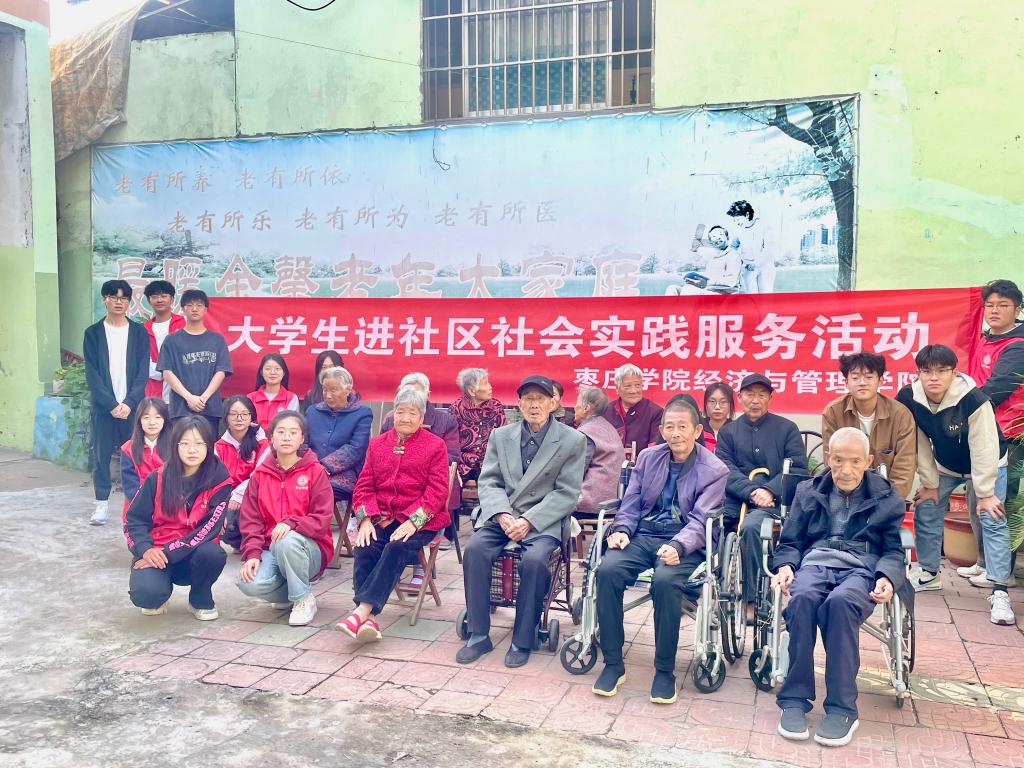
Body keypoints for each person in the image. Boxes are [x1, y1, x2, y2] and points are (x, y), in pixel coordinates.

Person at [773, 428, 906, 747]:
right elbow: (790, 541)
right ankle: (794, 700)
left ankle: (842, 708)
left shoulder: (887, 498)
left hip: (861, 568)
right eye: (838, 460)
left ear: (868, 461)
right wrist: (786, 566)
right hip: (815, 563)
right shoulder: (807, 491)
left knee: (841, 603)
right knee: (802, 599)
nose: (846, 469)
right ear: (828, 459)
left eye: (855, 461)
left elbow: (893, 551)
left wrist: (887, 577)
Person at [591, 399, 728, 703]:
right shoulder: (648, 457)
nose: (675, 433)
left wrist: (679, 545)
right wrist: (621, 530)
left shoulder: (714, 469)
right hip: (645, 534)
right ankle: (613, 664)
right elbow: (631, 502)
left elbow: (701, 520)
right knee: (608, 571)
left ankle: (664, 671)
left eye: (682, 427)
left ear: (697, 431)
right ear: (662, 430)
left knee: (665, 582)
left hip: (686, 540)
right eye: (669, 427)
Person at [456, 375, 586, 668]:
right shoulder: (501, 436)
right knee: (474, 550)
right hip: (503, 514)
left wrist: (529, 519)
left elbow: (567, 492)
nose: (534, 405)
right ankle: (478, 634)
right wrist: (502, 514)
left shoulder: (572, 440)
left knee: (535, 561)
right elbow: (489, 481)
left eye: (540, 399)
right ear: (519, 403)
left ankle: (522, 639)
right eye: (528, 399)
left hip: (543, 520)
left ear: (553, 403)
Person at [897, 345, 1016, 624]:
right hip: (945, 465)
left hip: (988, 463)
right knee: (927, 507)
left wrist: (985, 493)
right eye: (927, 371)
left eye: (942, 371)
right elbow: (918, 442)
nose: (934, 378)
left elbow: (984, 447)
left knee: (992, 516)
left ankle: (999, 591)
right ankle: (929, 574)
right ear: (918, 373)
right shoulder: (908, 397)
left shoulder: (974, 399)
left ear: (954, 372)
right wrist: (930, 484)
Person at [339, 387, 450, 642]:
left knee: (395, 547)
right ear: (393, 414)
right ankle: (369, 619)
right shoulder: (377, 444)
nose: (406, 418)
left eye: (413, 413)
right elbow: (364, 485)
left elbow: (437, 491)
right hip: (382, 515)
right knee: (365, 545)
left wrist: (414, 521)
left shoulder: (435, 446)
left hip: (423, 519)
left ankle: (360, 612)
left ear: (422, 417)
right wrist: (365, 519)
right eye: (401, 412)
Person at [124, 415, 232, 619]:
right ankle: (159, 591)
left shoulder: (220, 480)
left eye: (199, 443)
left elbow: (209, 528)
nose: (192, 450)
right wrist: (145, 549)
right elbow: (133, 521)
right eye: (185, 443)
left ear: (209, 446)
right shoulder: (157, 478)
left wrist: (169, 552)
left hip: (193, 553)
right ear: (175, 446)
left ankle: (199, 597)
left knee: (213, 554)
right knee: (146, 596)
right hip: (157, 550)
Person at [716, 373, 808, 606]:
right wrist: (752, 492)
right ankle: (711, 588)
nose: (755, 400)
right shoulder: (728, 432)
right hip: (737, 503)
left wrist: (769, 490)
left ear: (770, 398)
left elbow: (798, 468)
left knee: (752, 526)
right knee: (712, 524)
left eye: (761, 395)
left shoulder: (787, 429)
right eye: (750, 395)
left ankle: (755, 600)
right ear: (740, 397)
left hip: (774, 505)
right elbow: (724, 469)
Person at [237, 411, 334, 626]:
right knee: (248, 583)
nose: (286, 437)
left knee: (286, 540)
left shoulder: (315, 472)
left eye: (293, 432)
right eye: (281, 432)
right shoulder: (260, 475)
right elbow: (251, 519)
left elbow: (322, 519)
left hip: (308, 549)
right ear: (271, 438)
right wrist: (252, 553)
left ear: (302, 438)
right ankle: (290, 593)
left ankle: (303, 599)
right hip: (270, 548)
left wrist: (291, 523)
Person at [967, 279, 1024, 581]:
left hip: (1009, 435)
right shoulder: (985, 339)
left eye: (1003, 305)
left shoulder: (1018, 346)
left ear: (1018, 309)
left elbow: (997, 389)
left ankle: (1002, 572)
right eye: (989, 305)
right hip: (982, 431)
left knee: (1001, 503)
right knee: (977, 497)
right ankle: (983, 561)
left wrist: (960, 410)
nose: (994, 310)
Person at [83, 279, 151, 525]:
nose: (118, 302)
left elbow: (142, 371)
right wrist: (111, 405)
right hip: (104, 409)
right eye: (113, 297)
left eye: (123, 298)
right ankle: (101, 504)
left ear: (129, 302)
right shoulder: (93, 333)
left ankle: (137, 506)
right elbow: (92, 373)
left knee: (135, 456)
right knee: (101, 457)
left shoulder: (139, 332)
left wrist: (130, 403)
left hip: (131, 408)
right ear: (105, 300)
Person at [381, 372, 462, 551]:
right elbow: (380, 455)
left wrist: (420, 459)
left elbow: (452, 456)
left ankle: (432, 536)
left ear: (428, 395)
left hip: (431, 480)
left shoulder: (446, 421)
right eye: (406, 392)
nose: (411, 397)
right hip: (395, 486)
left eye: (416, 393)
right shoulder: (392, 419)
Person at [821, 352, 917, 499]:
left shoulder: (901, 415)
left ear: (881, 381)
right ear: (846, 382)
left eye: (869, 377)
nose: (862, 383)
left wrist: (890, 502)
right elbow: (832, 462)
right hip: (846, 495)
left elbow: (905, 467)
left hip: (887, 495)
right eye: (855, 378)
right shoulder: (833, 412)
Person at [157, 289, 232, 435]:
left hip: (210, 408)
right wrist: (189, 397)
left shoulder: (217, 340)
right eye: (190, 305)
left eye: (199, 305)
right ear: (183, 309)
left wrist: (203, 398)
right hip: (181, 408)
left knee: (208, 446)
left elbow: (221, 371)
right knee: (182, 445)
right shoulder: (172, 340)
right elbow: (167, 372)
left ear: (205, 309)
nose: (194, 309)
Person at [305, 367, 372, 504]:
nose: (328, 395)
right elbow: (303, 442)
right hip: (310, 467)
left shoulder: (362, 413)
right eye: (325, 390)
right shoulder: (312, 411)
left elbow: (356, 448)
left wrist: (325, 467)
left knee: (318, 489)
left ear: (348, 390)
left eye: (333, 390)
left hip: (344, 473)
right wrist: (312, 465)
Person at [215, 395, 270, 552]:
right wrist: (225, 501)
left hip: (255, 495)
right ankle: (238, 543)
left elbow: (260, 474)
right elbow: (216, 480)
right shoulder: (218, 447)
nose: (239, 418)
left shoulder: (263, 444)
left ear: (251, 416)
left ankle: (254, 542)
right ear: (226, 417)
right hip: (228, 497)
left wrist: (239, 495)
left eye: (244, 414)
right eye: (233, 414)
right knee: (222, 518)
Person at [450, 367, 507, 486]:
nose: (490, 387)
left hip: (489, 464)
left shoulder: (496, 406)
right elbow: (452, 442)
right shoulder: (456, 408)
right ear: (472, 391)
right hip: (463, 465)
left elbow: (503, 436)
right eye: (485, 383)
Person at [574, 386, 627, 515]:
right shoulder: (608, 427)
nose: (575, 407)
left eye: (577, 403)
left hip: (590, 502)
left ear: (586, 408)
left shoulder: (587, 432)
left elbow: (576, 470)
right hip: (613, 501)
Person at [119, 397, 172, 519]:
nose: (152, 422)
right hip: (137, 510)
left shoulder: (175, 446)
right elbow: (130, 486)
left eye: (158, 417)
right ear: (139, 421)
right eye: (146, 417)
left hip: (167, 510)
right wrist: (146, 508)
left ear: (165, 420)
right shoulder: (128, 449)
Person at [602, 363, 664, 457]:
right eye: (628, 386)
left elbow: (655, 448)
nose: (633, 391)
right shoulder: (606, 411)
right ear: (617, 389)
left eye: (637, 385)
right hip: (609, 463)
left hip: (642, 464)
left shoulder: (655, 413)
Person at [142, 280, 185, 401]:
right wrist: (166, 373)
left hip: (184, 392)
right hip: (155, 393)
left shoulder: (184, 323)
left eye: (164, 296)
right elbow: (142, 363)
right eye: (155, 297)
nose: (159, 300)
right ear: (149, 301)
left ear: (172, 299)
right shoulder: (143, 330)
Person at [727, 200, 775, 294]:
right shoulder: (739, 230)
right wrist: (737, 261)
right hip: (748, 268)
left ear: (747, 214)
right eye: (734, 220)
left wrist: (756, 264)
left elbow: (768, 249)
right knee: (751, 297)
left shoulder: (764, 226)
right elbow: (733, 247)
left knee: (765, 296)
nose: (736, 222)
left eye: (738, 219)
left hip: (765, 267)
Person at [248, 353, 300, 431]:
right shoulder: (250, 398)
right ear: (261, 372)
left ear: (284, 372)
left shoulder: (291, 398)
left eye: (277, 369)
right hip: (254, 438)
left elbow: (291, 426)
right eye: (268, 369)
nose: (272, 372)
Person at [702, 382, 736, 454]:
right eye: (712, 401)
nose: (717, 407)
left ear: (730, 405)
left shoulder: (738, 431)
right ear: (706, 404)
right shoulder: (697, 430)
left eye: (723, 402)